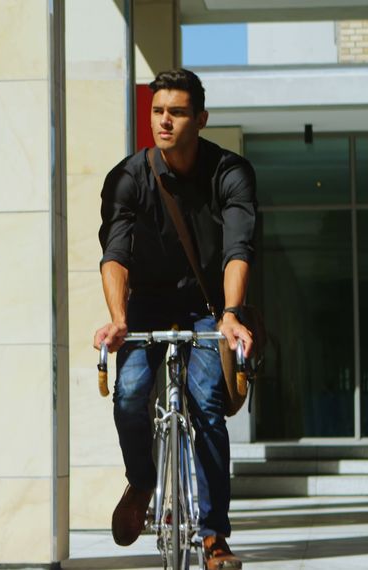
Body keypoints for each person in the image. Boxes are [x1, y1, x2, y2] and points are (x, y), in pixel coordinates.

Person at [92, 68, 257, 570]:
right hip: (144, 304)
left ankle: (213, 536)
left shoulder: (230, 172)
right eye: (158, 111)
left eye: (178, 113)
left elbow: (237, 247)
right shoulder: (128, 178)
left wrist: (231, 314)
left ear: (200, 119)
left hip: (208, 307)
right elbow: (115, 253)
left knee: (206, 400)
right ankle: (141, 479)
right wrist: (118, 318)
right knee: (129, 392)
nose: (165, 121)